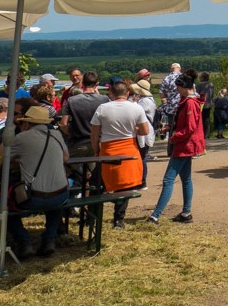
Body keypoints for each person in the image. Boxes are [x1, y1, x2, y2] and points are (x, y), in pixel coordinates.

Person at [7, 106, 69, 258]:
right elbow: (65, 158)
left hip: (32, 198)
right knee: (56, 203)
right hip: (61, 195)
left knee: (3, 207)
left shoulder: (22, 138)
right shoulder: (56, 134)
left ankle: (24, 242)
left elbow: (3, 160)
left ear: (27, 123)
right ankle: (49, 239)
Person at [90, 79, 151, 229]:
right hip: (129, 149)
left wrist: (95, 150)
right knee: (124, 186)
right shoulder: (136, 108)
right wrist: (133, 129)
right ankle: (118, 220)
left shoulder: (102, 108)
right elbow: (145, 131)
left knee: (96, 184)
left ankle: (92, 217)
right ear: (127, 93)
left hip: (107, 149)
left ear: (111, 93)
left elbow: (94, 133)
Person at [149, 73, 204, 224]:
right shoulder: (187, 101)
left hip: (184, 146)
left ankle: (155, 215)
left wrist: (174, 137)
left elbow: (190, 127)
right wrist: (170, 127)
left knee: (168, 180)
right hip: (185, 145)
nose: (177, 90)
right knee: (186, 179)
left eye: (178, 87)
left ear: (184, 87)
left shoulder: (190, 103)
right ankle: (186, 213)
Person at [58, 71, 106, 158]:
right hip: (98, 143)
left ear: (83, 83)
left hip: (78, 142)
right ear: (97, 84)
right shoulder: (104, 100)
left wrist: (71, 133)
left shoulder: (71, 100)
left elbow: (64, 124)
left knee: (68, 168)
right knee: (94, 170)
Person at [130, 78, 157, 187]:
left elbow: (136, 113)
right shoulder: (149, 100)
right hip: (147, 130)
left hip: (143, 131)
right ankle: (141, 180)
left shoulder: (144, 101)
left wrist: (134, 103)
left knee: (142, 157)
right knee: (142, 156)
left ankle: (142, 181)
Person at [159, 63, 182, 142]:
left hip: (170, 107)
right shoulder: (183, 77)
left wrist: (165, 100)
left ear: (171, 69)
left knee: (171, 128)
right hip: (182, 106)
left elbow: (161, 93)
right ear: (179, 68)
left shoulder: (166, 78)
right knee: (181, 127)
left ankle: (171, 147)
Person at [196, 72, 215, 139]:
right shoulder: (211, 84)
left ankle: (201, 133)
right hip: (209, 103)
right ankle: (207, 134)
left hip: (201, 103)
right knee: (207, 119)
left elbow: (197, 94)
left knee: (200, 119)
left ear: (202, 77)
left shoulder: (199, 85)